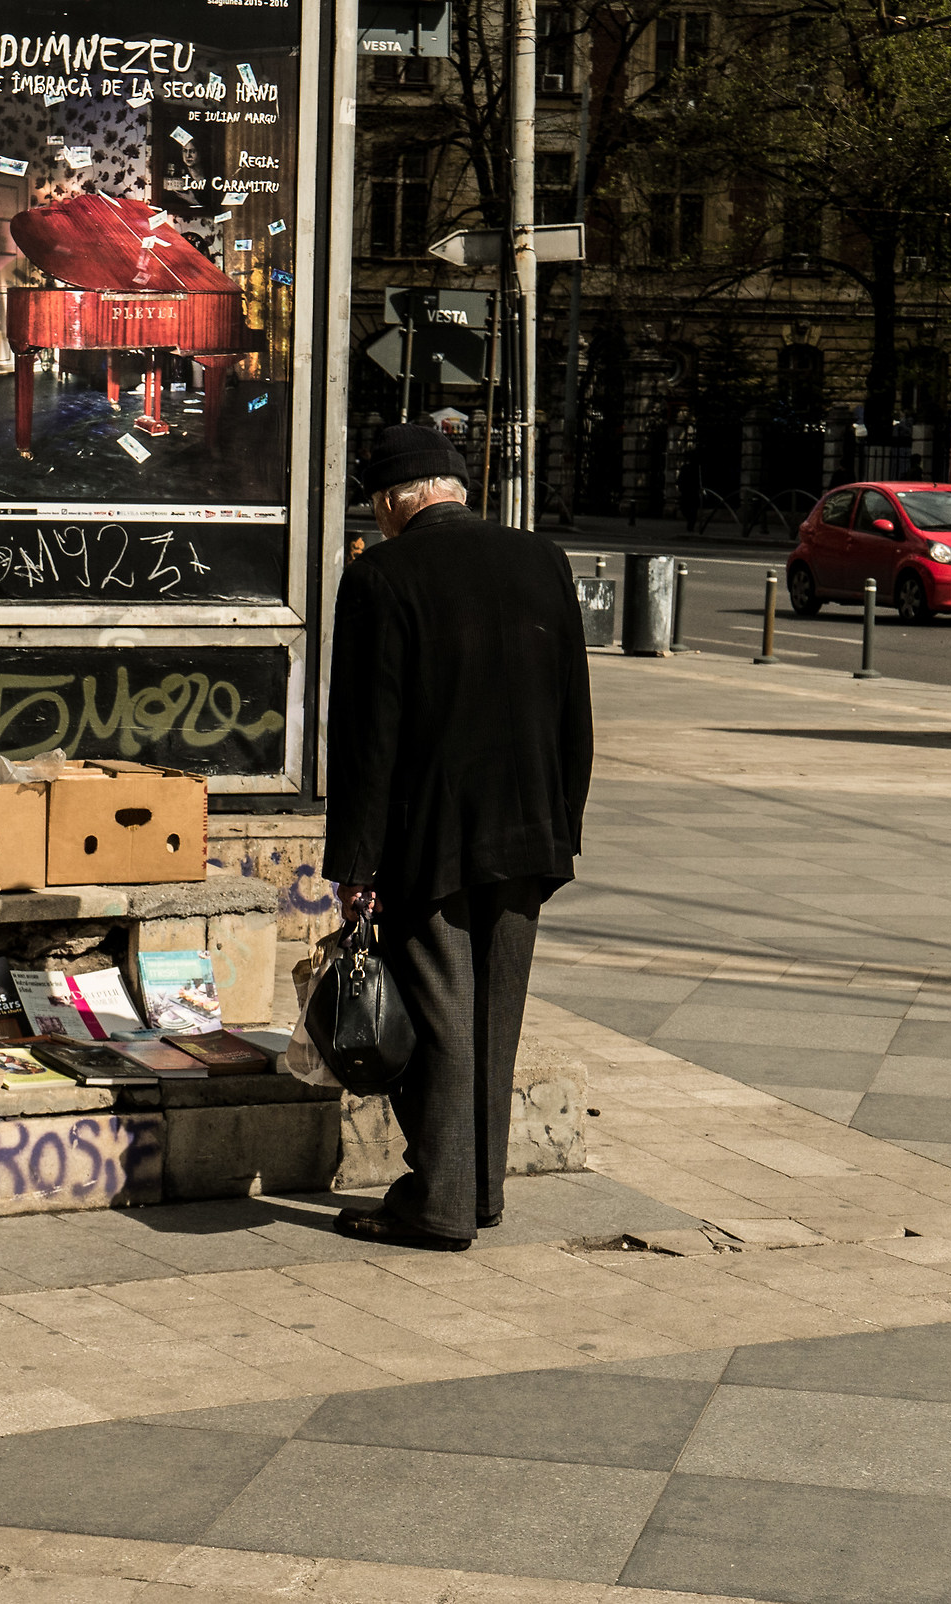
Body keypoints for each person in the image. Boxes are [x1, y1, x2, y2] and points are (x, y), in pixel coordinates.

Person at [325, 424, 594, 1251]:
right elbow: (573, 712)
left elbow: (368, 737)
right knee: (494, 1018)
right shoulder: (540, 559)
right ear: (453, 488)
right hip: (528, 831)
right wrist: (563, 823)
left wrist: (356, 864)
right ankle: (480, 1192)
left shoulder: (380, 576)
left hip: (428, 838)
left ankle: (439, 1204)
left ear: (388, 500)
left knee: (442, 1018)